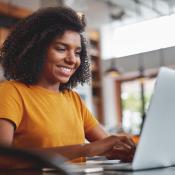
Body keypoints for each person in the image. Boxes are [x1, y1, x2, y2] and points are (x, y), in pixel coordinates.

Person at [0, 6, 135, 166]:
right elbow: (4, 158)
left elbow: (109, 145)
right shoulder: (11, 92)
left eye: (77, 52)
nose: (72, 60)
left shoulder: (73, 99)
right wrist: (85, 149)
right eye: (61, 49)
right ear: (35, 51)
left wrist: (131, 150)